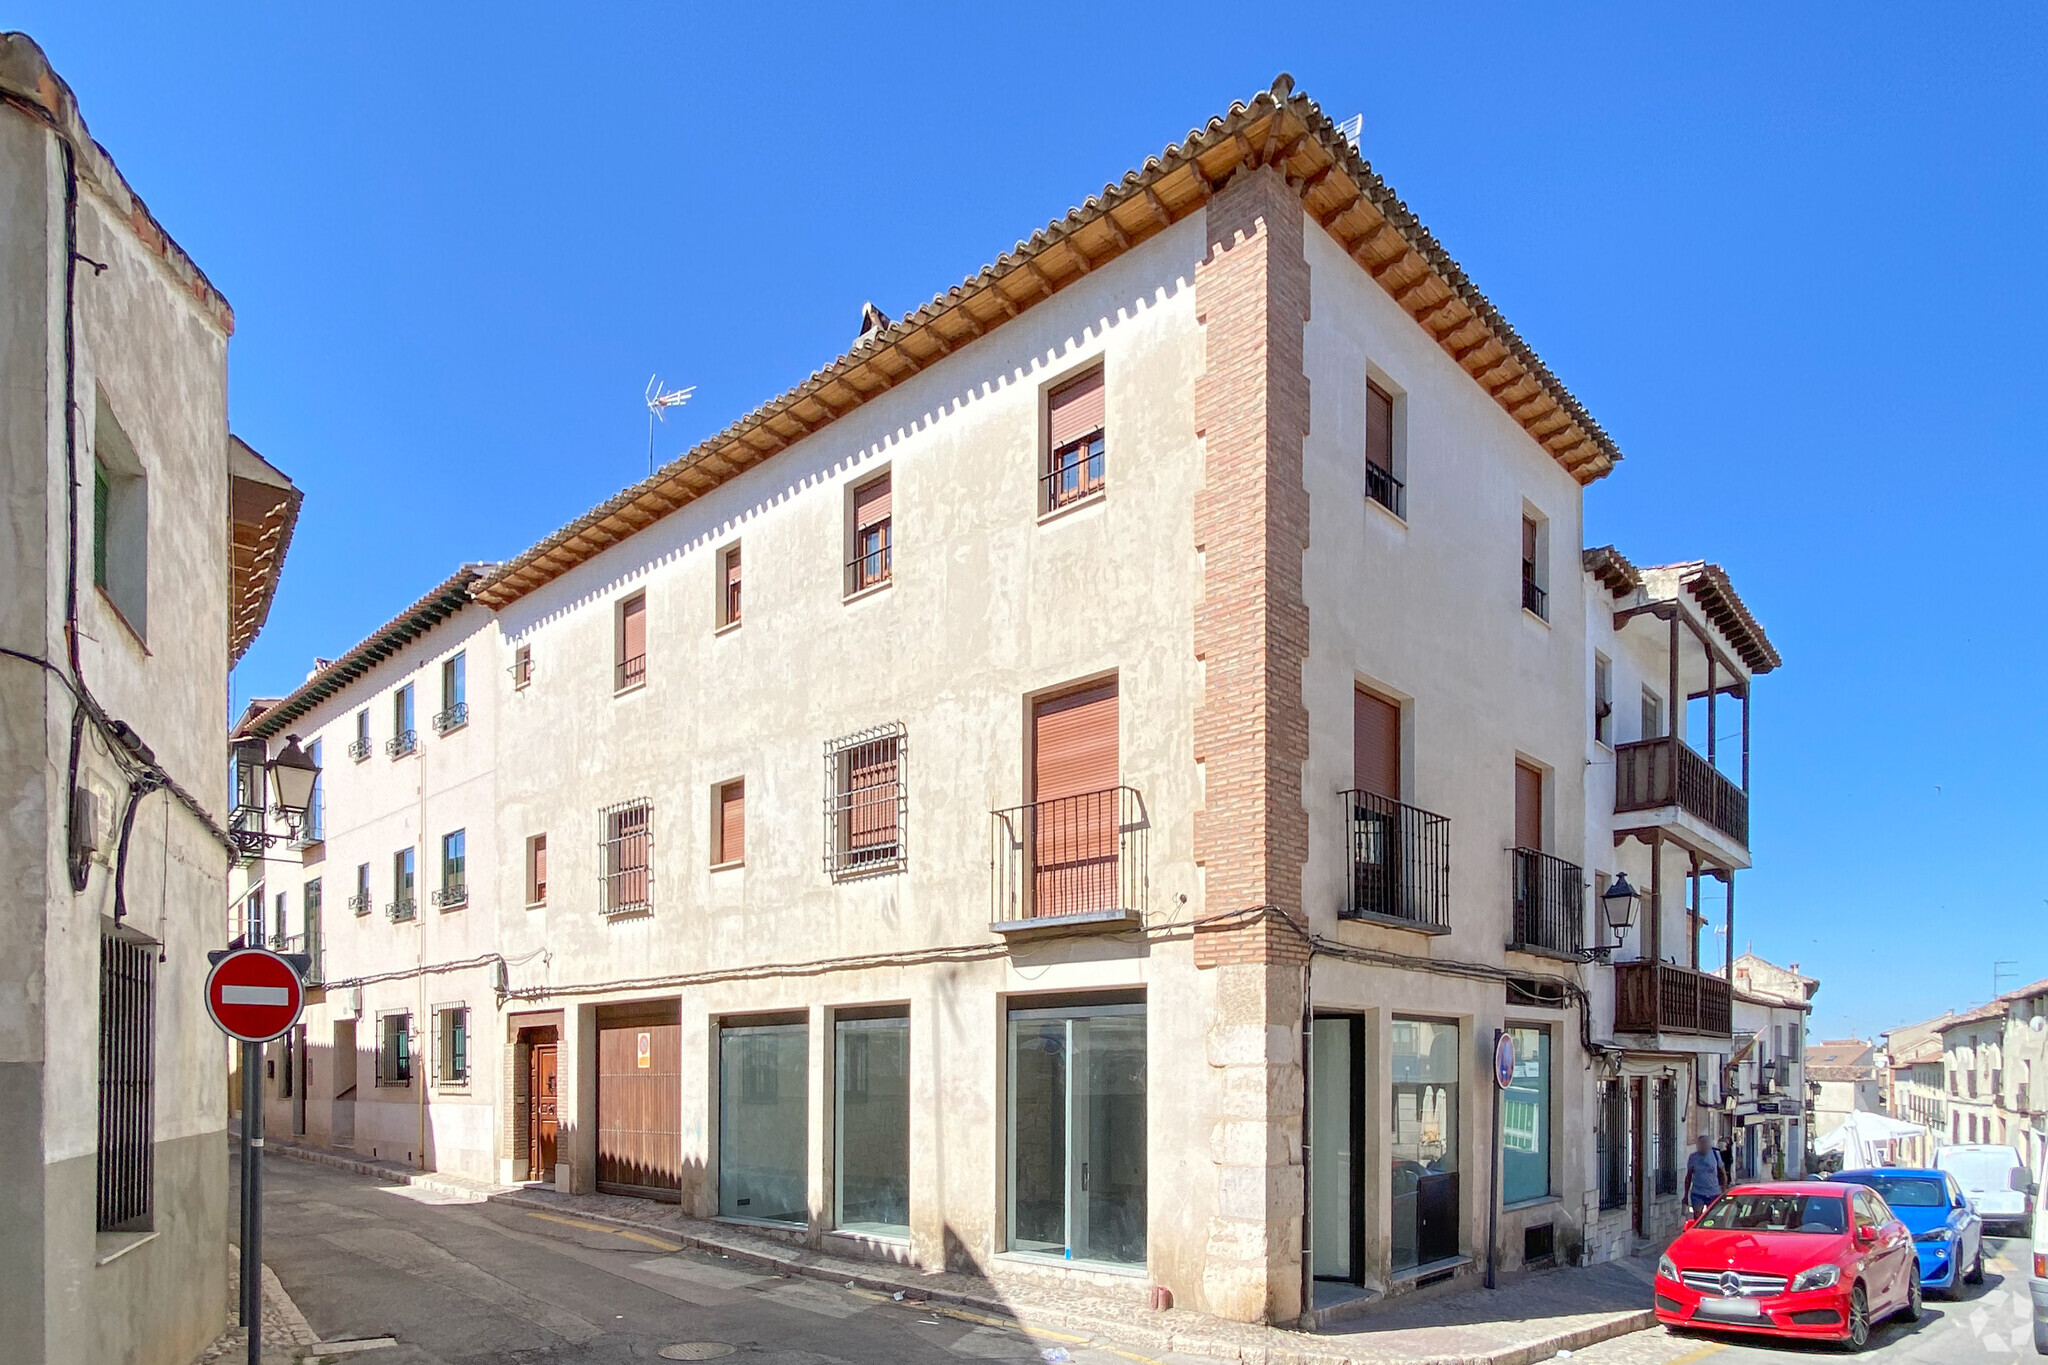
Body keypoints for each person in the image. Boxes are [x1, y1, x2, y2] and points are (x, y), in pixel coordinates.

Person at [1684, 1134, 1725, 1216]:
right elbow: (1688, 1176)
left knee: (1712, 1216)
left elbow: (1723, 1174)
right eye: (1700, 1143)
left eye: (1705, 1143)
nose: (1703, 1146)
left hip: (1714, 1192)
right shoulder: (1693, 1157)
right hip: (1697, 1192)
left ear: (1709, 1145)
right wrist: (1685, 1195)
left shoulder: (1715, 1155)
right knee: (1697, 1215)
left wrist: (1723, 1190)